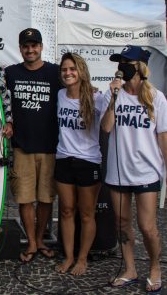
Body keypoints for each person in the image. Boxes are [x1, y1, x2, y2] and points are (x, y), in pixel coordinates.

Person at [101, 45, 167, 292]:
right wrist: (114, 98)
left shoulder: (156, 97)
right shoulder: (113, 95)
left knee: (148, 226)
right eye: (119, 63)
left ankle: (155, 266)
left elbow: (163, 137)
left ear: (139, 67)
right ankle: (130, 268)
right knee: (121, 223)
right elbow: (106, 128)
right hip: (119, 172)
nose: (121, 68)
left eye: (125, 63)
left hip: (147, 171)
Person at [5, 28, 61, 263]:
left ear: (41, 47)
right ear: (20, 48)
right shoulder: (10, 73)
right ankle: (31, 242)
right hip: (22, 147)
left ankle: (39, 239)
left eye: (34, 45)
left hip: (50, 147)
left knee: (46, 199)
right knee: (25, 199)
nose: (30, 50)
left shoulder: (56, 72)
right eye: (26, 46)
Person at [54, 53, 103, 275]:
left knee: (86, 214)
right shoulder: (60, 95)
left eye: (72, 69)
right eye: (64, 69)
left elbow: (110, 125)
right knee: (65, 211)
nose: (68, 73)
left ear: (81, 70)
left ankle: (82, 259)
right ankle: (69, 257)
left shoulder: (97, 97)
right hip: (63, 159)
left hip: (88, 161)